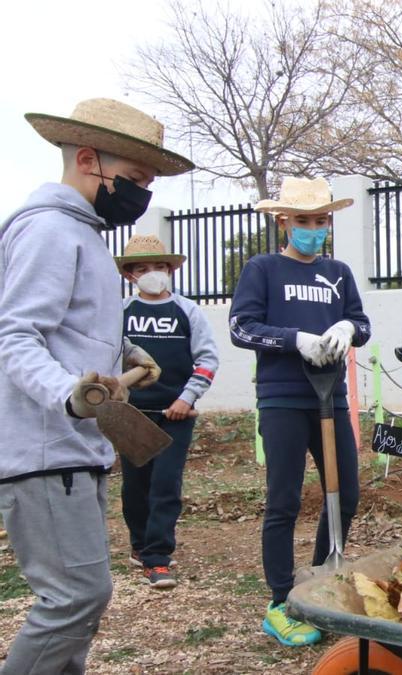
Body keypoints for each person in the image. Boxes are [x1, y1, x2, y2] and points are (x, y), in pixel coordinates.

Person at [0, 98, 190, 674]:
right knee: (73, 599)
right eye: (135, 180)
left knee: (80, 603)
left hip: (74, 448)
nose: (142, 196)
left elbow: (69, 328)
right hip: (44, 450)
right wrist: (67, 392)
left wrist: (127, 353)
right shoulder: (51, 231)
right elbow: (16, 335)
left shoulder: (83, 235)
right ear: (88, 159)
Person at [228, 177, 371, 647]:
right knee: (284, 500)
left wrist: (350, 326)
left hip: (331, 398)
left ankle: (318, 583)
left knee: (344, 494)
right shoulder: (263, 269)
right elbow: (242, 328)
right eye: (303, 221)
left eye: (320, 220)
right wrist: (294, 340)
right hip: (283, 397)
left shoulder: (339, 273)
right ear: (283, 221)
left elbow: (363, 324)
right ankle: (279, 601)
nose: (313, 229)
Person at [116, 234, 219, 590]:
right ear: (130, 275)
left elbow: (207, 359)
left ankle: (158, 558)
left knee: (165, 484)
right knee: (135, 486)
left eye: (159, 266)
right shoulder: (121, 313)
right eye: (142, 268)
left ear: (170, 269)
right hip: (130, 415)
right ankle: (140, 544)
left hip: (175, 414)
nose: (152, 273)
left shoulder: (187, 311)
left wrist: (187, 398)